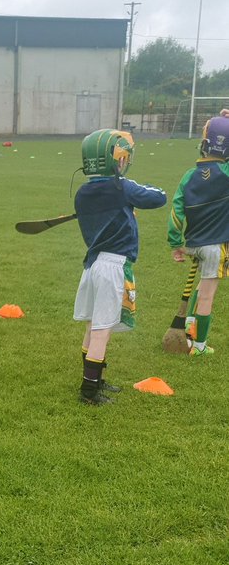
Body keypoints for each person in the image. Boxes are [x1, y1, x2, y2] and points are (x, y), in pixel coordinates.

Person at [74, 128, 167, 405]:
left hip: (92, 266)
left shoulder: (82, 193)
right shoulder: (121, 187)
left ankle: (95, 380)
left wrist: (124, 208)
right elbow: (157, 196)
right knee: (102, 329)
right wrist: (126, 197)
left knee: (94, 325)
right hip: (112, 266)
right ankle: (89, 391)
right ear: (115, 159)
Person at [167, 111, 229, 357]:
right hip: (215, 247)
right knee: (208, 295)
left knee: (201, 289)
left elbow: (175, 214)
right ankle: (200, 347)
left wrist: (176, 243)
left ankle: (189, 332)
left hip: (193, 244)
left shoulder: (188, 175)